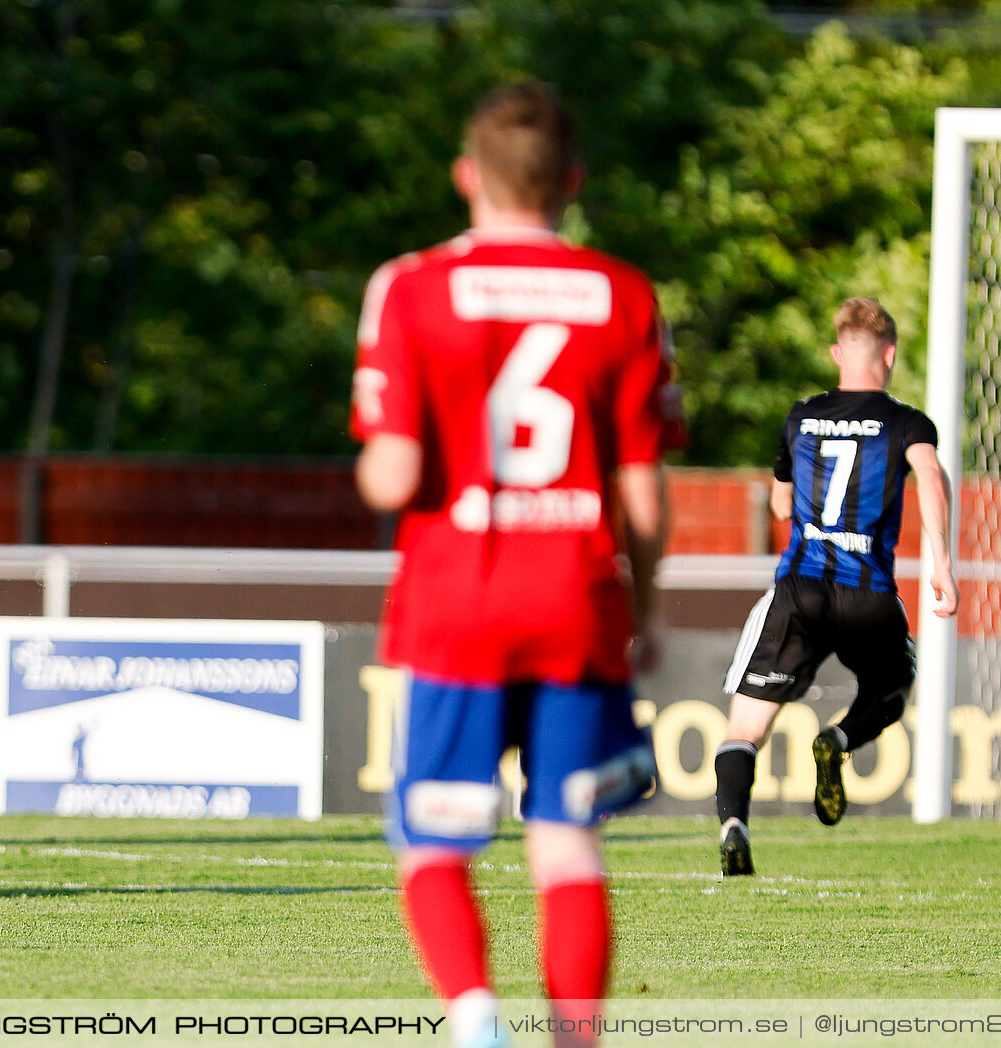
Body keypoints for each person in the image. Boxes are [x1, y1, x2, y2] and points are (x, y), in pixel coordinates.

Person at [352, 80, 680, 1048]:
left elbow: (393, 472)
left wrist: (381, 457)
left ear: (466, 176)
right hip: (577, 602)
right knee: (568, 839)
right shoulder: (625, 295)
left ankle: (476, 1015)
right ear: (572, 181)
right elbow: (644, 495)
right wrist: (646, 611)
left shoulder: (411, 285)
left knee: (434, 836)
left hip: (457, 598)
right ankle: (574, 1039)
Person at [714, 297, 958, 876]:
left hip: (801, 589)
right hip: (868, 592)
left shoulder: (801, 416)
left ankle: (733, 826)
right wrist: (942, 561)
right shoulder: (907, 422)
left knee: (745, 725)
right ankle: (840, 742)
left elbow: (779, 500)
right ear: (890, 355)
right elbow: (930, 475)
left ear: (834, 353)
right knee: (894, 689)